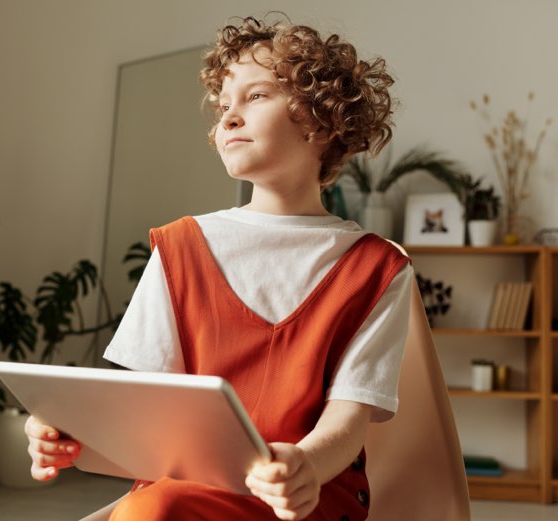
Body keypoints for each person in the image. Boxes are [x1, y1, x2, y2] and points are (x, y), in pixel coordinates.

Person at [25, 15, 413, 521]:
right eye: (223, 105)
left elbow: (348, 421)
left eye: (255, 97)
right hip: (183, 492)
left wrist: (304, 465)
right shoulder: (179, 246)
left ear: (321, 121)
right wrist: (67, 435)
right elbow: (144, 408)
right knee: (155, 506)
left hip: (304, 499)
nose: (228, 117)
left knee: (155, 510)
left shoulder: (377, 267)